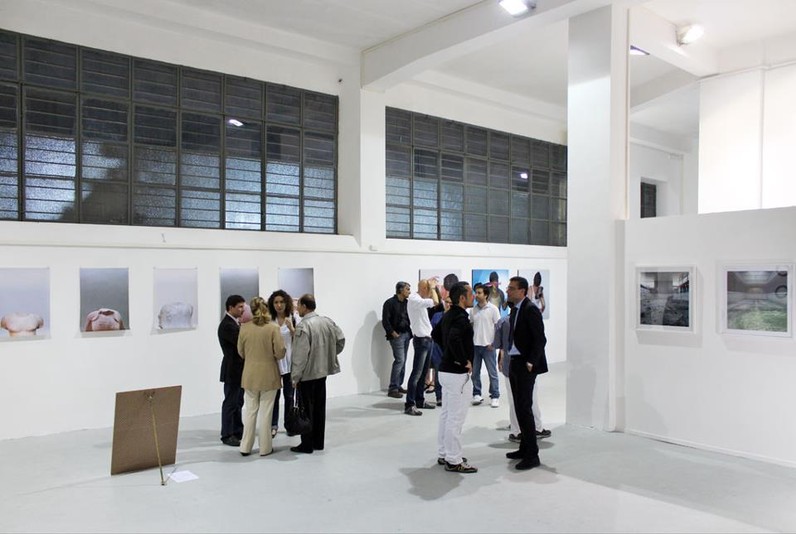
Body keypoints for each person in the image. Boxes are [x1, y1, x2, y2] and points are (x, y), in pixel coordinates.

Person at [431, 281, 477, 474]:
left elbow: (435, 334)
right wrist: (462, 360)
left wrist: (449, 354)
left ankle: (445, 453)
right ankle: (454, 459)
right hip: (456, 374)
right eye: (471, 294)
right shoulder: (460, 318)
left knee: (447, 414)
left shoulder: (448, 314)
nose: (473, 297)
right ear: (462, 298)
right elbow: (454, 338)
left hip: (445, 371)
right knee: (456, 418)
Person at [291, 294, 345, 454]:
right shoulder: (327, 321)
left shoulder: (303, 326)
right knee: (320, 408)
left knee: (306, 410)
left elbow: (300, 356)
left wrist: (295, 377)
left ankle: (307, 444)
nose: (297, 309)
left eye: (298, 305)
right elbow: (341, 340)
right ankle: (318, 442)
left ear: (304, 306)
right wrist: (329, 355)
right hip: (322, 373)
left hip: (307, 375)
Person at [504, 276, 548, 470]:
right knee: (519, 408)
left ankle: (532, 455)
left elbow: (540, 339)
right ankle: (524, 448)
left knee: (525, 408)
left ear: (522, 291)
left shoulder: (530, 309)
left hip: (525, 364)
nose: (508, 291)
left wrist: (531, 362)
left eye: (511, 288)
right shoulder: (515, 309)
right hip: (515, 362)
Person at [495, 302, 551, 444]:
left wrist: (501, 357)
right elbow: (538, 340)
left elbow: (499, 344)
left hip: (513, 366)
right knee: (529, 398)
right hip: (522, 366)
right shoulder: (519, 320)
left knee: (516, 400)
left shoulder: (503, 322)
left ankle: (519, 430)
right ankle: (531, 429)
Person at [237, 297, 286, 456]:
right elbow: (280, 352)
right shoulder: (273, 328)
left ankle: (245, 447)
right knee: (266, 413)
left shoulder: (244, 328)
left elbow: (241, 352)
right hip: (269, 375)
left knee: (250, 411)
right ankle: (265, 448)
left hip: (249, 375)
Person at [404, 278, 441, 416]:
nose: (431, 292)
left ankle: (419, 400)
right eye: (429, 289)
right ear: (424, 288)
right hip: (421, 341)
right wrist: (433, 287)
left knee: (423, 373)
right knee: (416, 374)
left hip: (427, 340)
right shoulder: (414, 299)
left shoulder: (419, 301)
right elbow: (436, 302)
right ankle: (410, 404)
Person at [267, 290, 300, 437]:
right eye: (276, 302)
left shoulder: (293, 318)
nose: (279, 305)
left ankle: (289, 425)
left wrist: (292, 328)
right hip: (273, 361)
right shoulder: (269, 320)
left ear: (286, 303)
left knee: (289, 395)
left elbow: (299, 339)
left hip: (289, 361)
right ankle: (273, 425)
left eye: (281, 302)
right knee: (274, 395)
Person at [218, 294, 246, 446]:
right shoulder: (227, 325)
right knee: (231, 402)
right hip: (232, 370)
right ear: (231, 307)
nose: (243, 310)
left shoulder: (234, 323)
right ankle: (227, 434)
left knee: (238, 402)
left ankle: (237, 430)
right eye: (240, 307)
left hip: (238, 370)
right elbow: (240, 344)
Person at [470, 283, 501, 407]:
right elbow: (471, 327)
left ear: (486, 295)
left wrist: (494, 343)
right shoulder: (473, 310)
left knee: (492, 373)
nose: (476, 295)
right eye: (475, 293)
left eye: (479, 293)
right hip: (475, 346)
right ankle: (476, 394)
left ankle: (495, 396)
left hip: (489, 346)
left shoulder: (493, 309)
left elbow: (498, 328)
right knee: (475, 373)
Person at [382, 281, 412, 398]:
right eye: (407, 289)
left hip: (406, 334)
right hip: (397, 335)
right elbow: (385, 320)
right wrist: (393, 333)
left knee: (403, 361)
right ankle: (393, 388)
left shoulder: (407, 303)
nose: (409, 292)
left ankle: (398, 385)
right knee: (400, 360)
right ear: (400, 290)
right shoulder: (389, 303)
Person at [429, 296, 451, 406]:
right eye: (447, 302)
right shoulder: (437, 316)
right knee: (438, 374)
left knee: (451, 375)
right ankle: (439, 397)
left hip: (450, 349)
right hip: (437, 349)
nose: (448, 304)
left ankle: (450, 397)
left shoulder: (455, 317)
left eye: (451, 303)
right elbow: (431, 331)